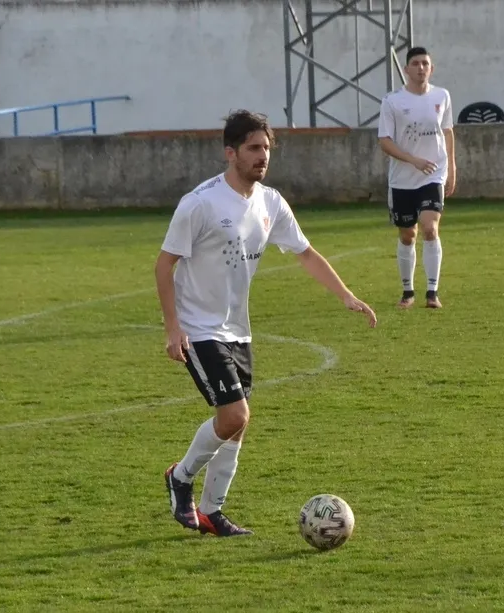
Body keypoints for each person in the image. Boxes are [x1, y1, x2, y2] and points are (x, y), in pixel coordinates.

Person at [154, 109, 378, 537]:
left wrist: (346, 295)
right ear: (230, 152)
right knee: (234, 414)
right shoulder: (200, 203)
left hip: (238, 328)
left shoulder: (270, 202)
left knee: (238, 423)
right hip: (199, 328)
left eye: (267, 148)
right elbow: (164, 265)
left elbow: (305, 253)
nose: (263, 156)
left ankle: (212, 511)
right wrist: (173, 328)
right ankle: (180, 477)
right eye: (254, 148)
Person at [377, 46, 456, 309]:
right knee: (408, 235)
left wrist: (452, 168)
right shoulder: (392, 101)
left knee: (430, 228)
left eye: (425, 63)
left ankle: (432, 293)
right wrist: (413, 160)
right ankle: (407, 291)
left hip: (433, 175)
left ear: (431, 69)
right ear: (406, 69)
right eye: (416, 63)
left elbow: (447, 132)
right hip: (402, 180)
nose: (421, 68)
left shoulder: (442, 96)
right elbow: (384, 141)